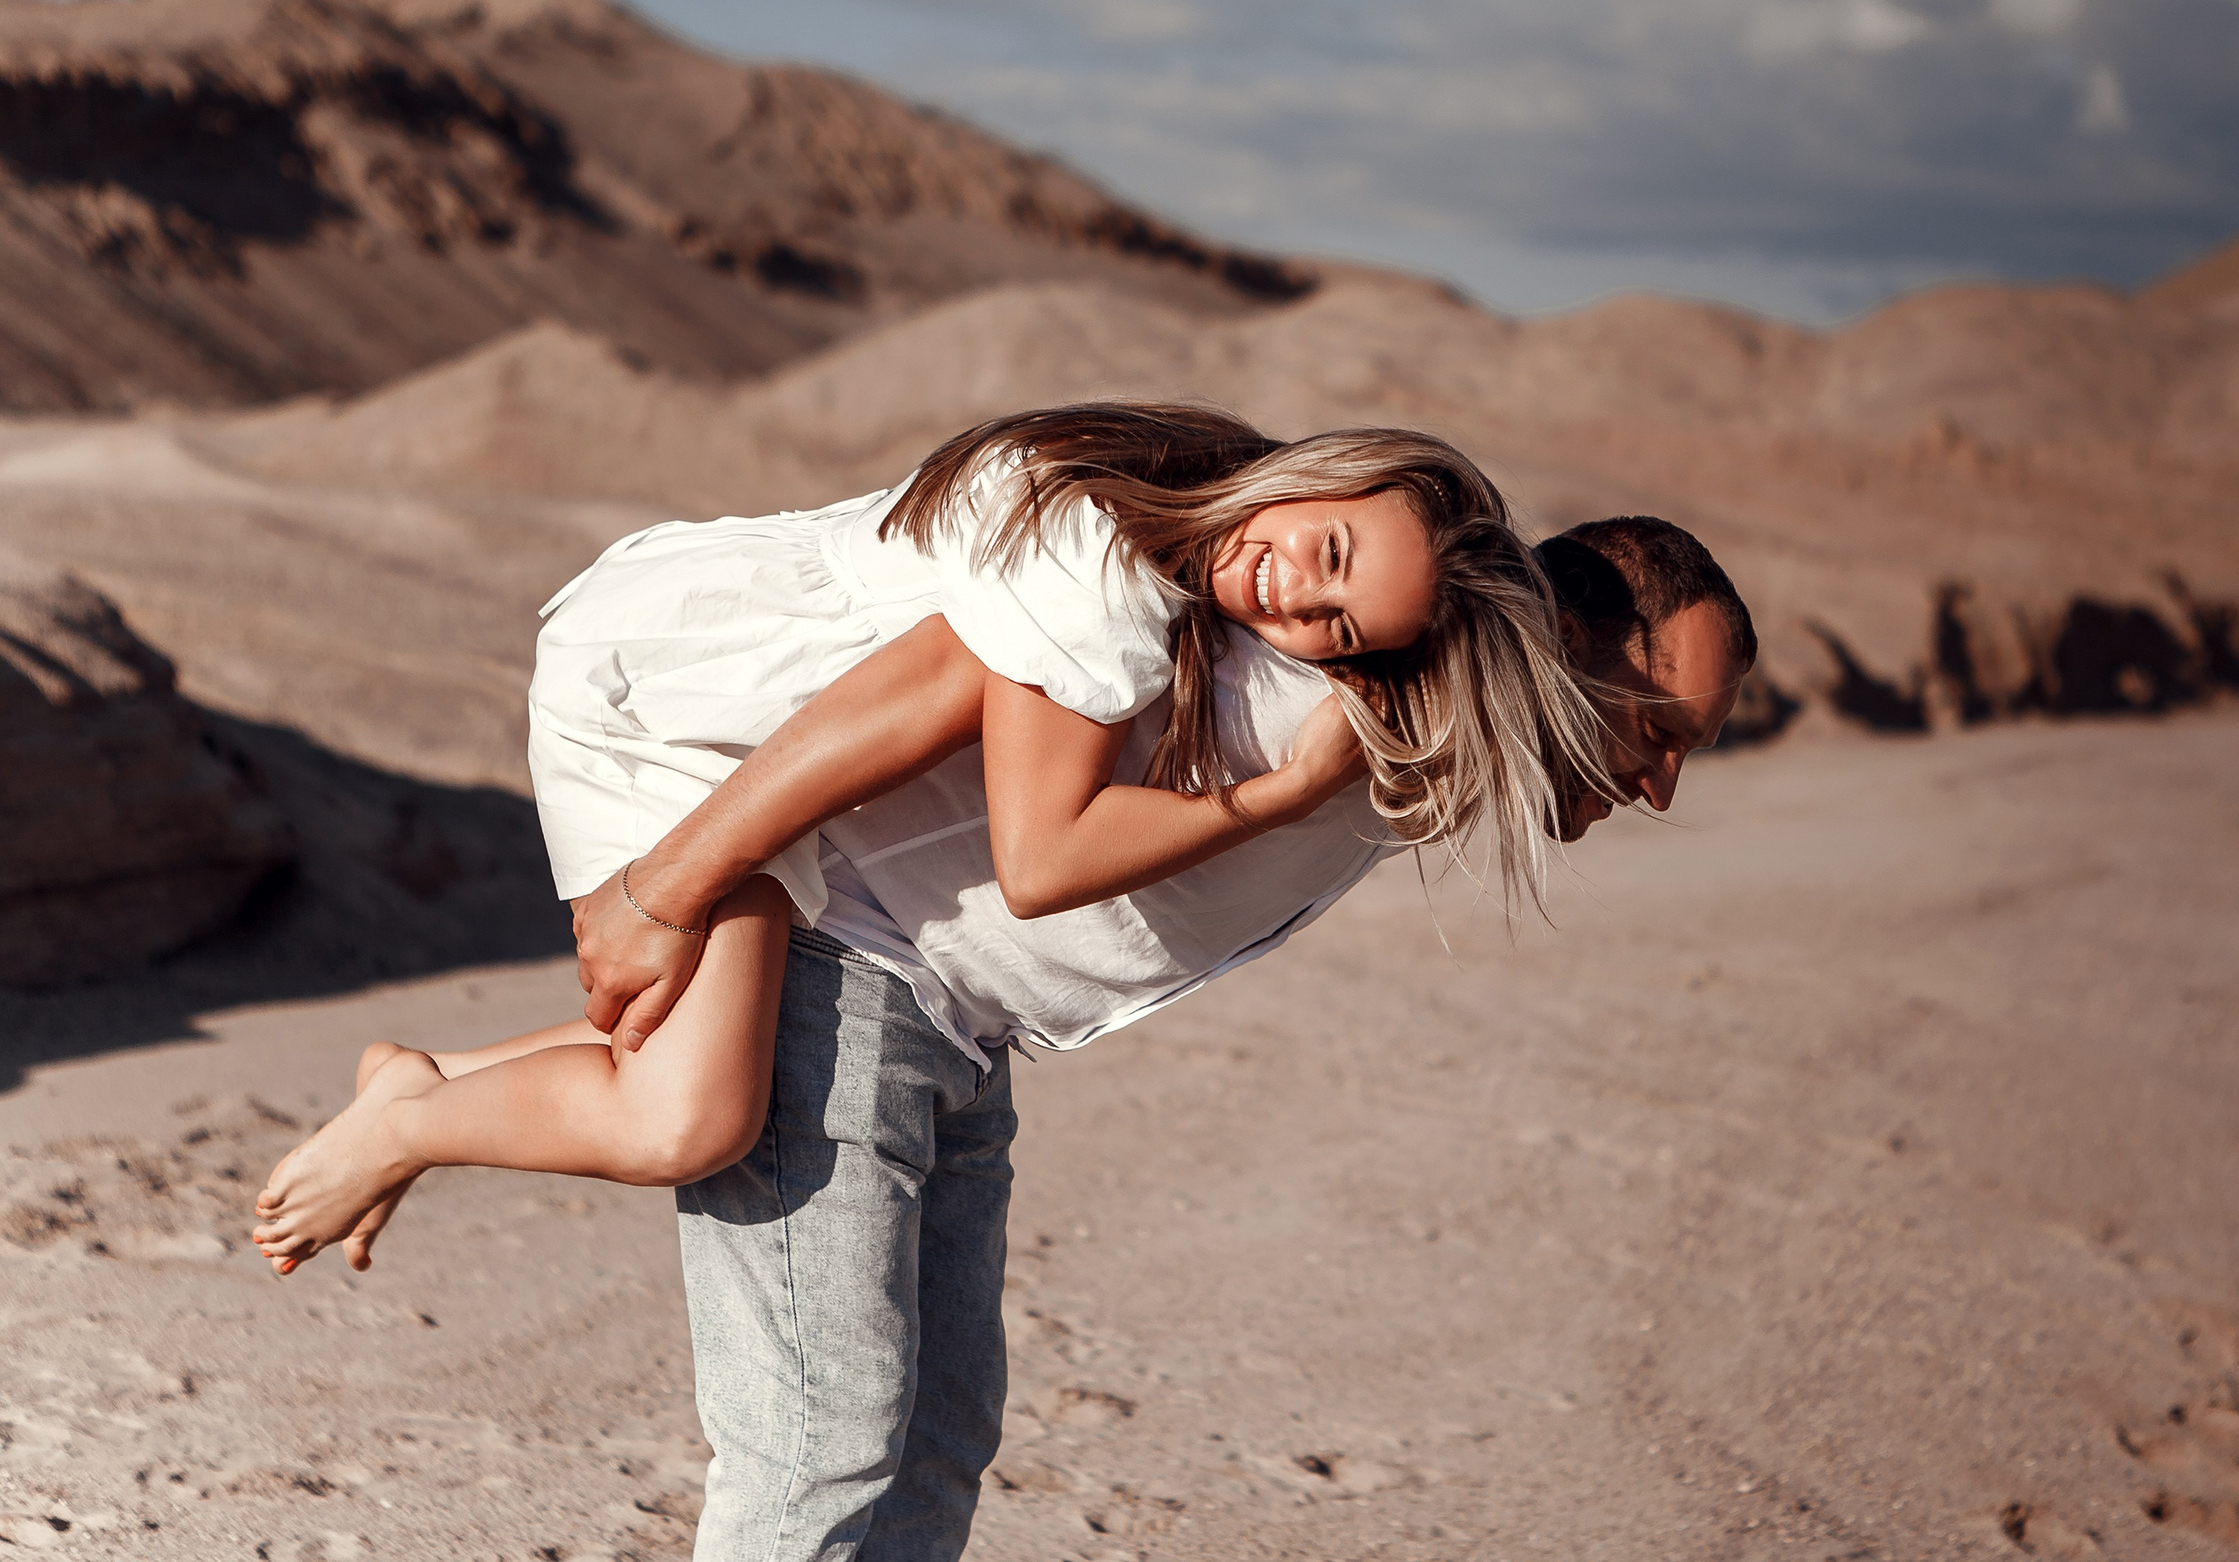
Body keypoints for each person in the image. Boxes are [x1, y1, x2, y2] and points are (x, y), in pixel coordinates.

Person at [535, 509, 1754, 1561]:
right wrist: (674, 884)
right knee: (822, 1435)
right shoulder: (1319, 652)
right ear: (1561, 652)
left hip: (958, 1028)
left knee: (943, 1433)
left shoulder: (1418, 736)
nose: (1660, 787)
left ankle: (411, 1106)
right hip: (845, 953)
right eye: (1660, 731)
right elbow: (955, 670)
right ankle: (415, 1114)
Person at [251, 403, 1617, 1274]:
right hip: (684, 693)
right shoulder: (1102, 559)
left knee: (692, 1067)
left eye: (1337, 630)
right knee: (694, 1116)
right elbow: (1042, 859)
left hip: (777, 744)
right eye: (1324, 549)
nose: (1296, 599)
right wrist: (1265, 796)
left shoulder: (1168, 560)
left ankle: (419, 1077)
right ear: (1328, 471)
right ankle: (415, 1121)